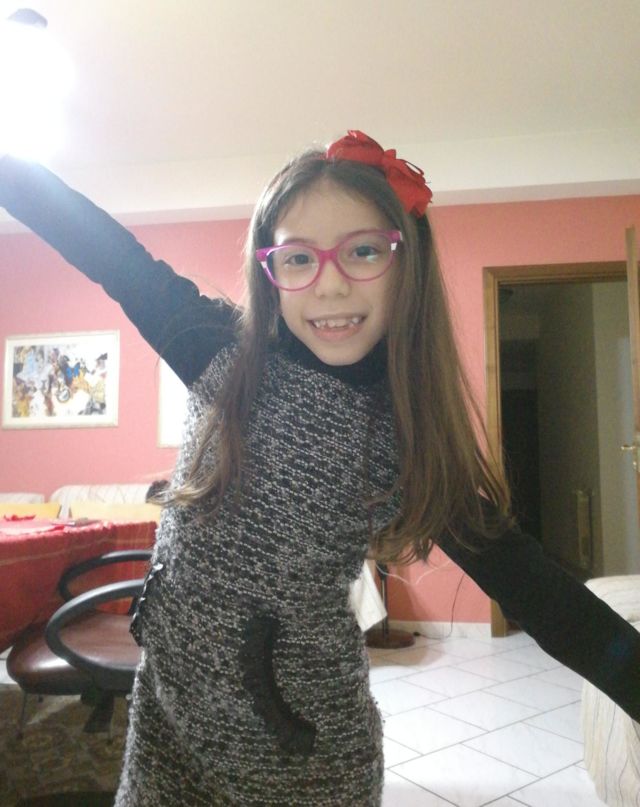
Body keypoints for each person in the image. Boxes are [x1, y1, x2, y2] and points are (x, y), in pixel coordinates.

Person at [1, 131, 639, 806]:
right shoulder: (216, 351)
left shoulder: (401, 442)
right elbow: (100, 245)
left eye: (363, 251)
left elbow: (541, 593)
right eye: (299, 257)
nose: (330, 283)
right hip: (164, 726)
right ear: (269, 270)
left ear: (406, 262)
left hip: (298, 759)